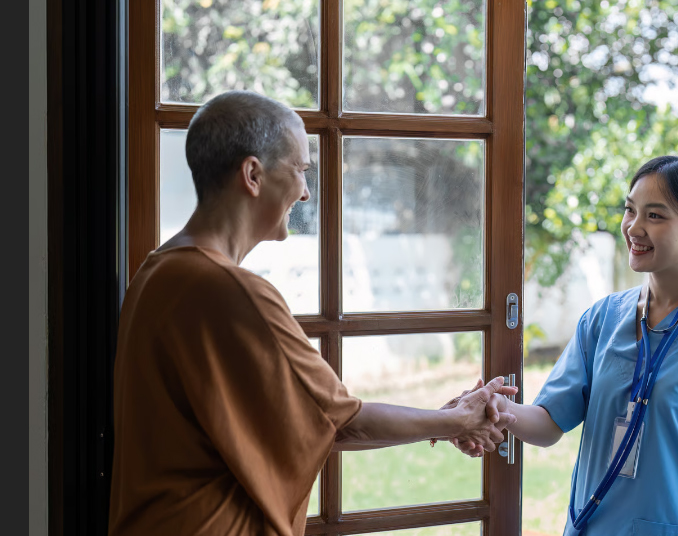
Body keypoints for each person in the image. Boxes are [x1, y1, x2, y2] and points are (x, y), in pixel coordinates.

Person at [107, 90, 517, 536]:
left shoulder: (156, 272)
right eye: (301, 170)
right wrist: (458, 419)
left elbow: (295, 419)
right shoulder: (228, 291)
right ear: (252, 174)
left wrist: (446, 417)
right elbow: (340, 423)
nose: (305, 193)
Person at [451, 156, 678, 535]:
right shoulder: (602, 319)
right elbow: (550, 423)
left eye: (655, 216)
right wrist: (500, 407)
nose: (634, 228)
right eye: (630, 210)